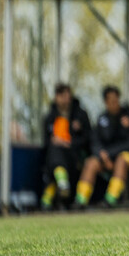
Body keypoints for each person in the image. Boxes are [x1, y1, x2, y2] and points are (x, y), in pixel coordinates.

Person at [78, 85, 129, 208]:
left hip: (127, 157)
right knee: (91, 163)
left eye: (116, 100)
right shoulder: (101, 119)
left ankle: (110, 199)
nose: (114, 103)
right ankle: (81, 200)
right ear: (105, 102)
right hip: (105, 158)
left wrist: (110, 153)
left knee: (121, 160)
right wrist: (102, 155)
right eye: (110, 100)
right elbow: (95, 140)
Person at [40, 83, 92, 211]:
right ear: (56, 97)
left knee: (55, 158)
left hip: (75, 154)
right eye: (61, 96)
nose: (65, 100)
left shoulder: (80, 115)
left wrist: (70, 142)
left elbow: (88, 138)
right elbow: (46, 142)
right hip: (55, 155)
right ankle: (62, 183)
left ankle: (60, 185)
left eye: (67, 96)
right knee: (54, 150)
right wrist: (55, 141)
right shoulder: (50, 117)